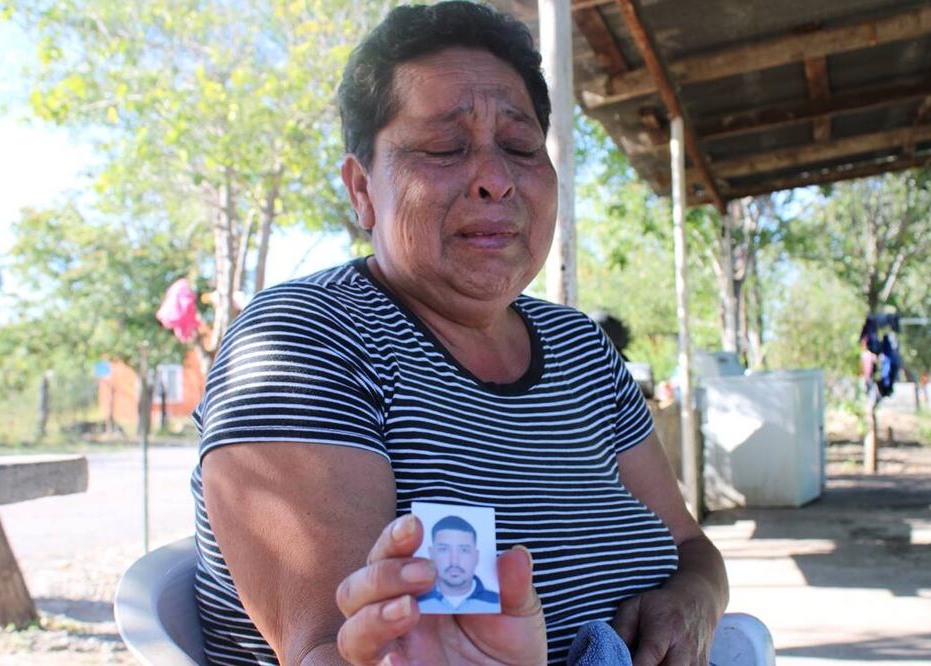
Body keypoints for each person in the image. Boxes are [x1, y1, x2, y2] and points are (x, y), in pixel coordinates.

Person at [193, 2, 728, 665]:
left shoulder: (582, 348)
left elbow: (690, 546)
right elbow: (331, 650)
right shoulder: (307, 338)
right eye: (444, 148)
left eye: (520, 146)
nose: (495, 180)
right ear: (362, 191)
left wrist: (696, 598)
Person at [416, 516, 500, 613]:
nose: (454, 561)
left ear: (476, 556)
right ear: (431, 554)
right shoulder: (415, 603)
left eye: (464, 550)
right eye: (444, 549)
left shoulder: (497, 603)